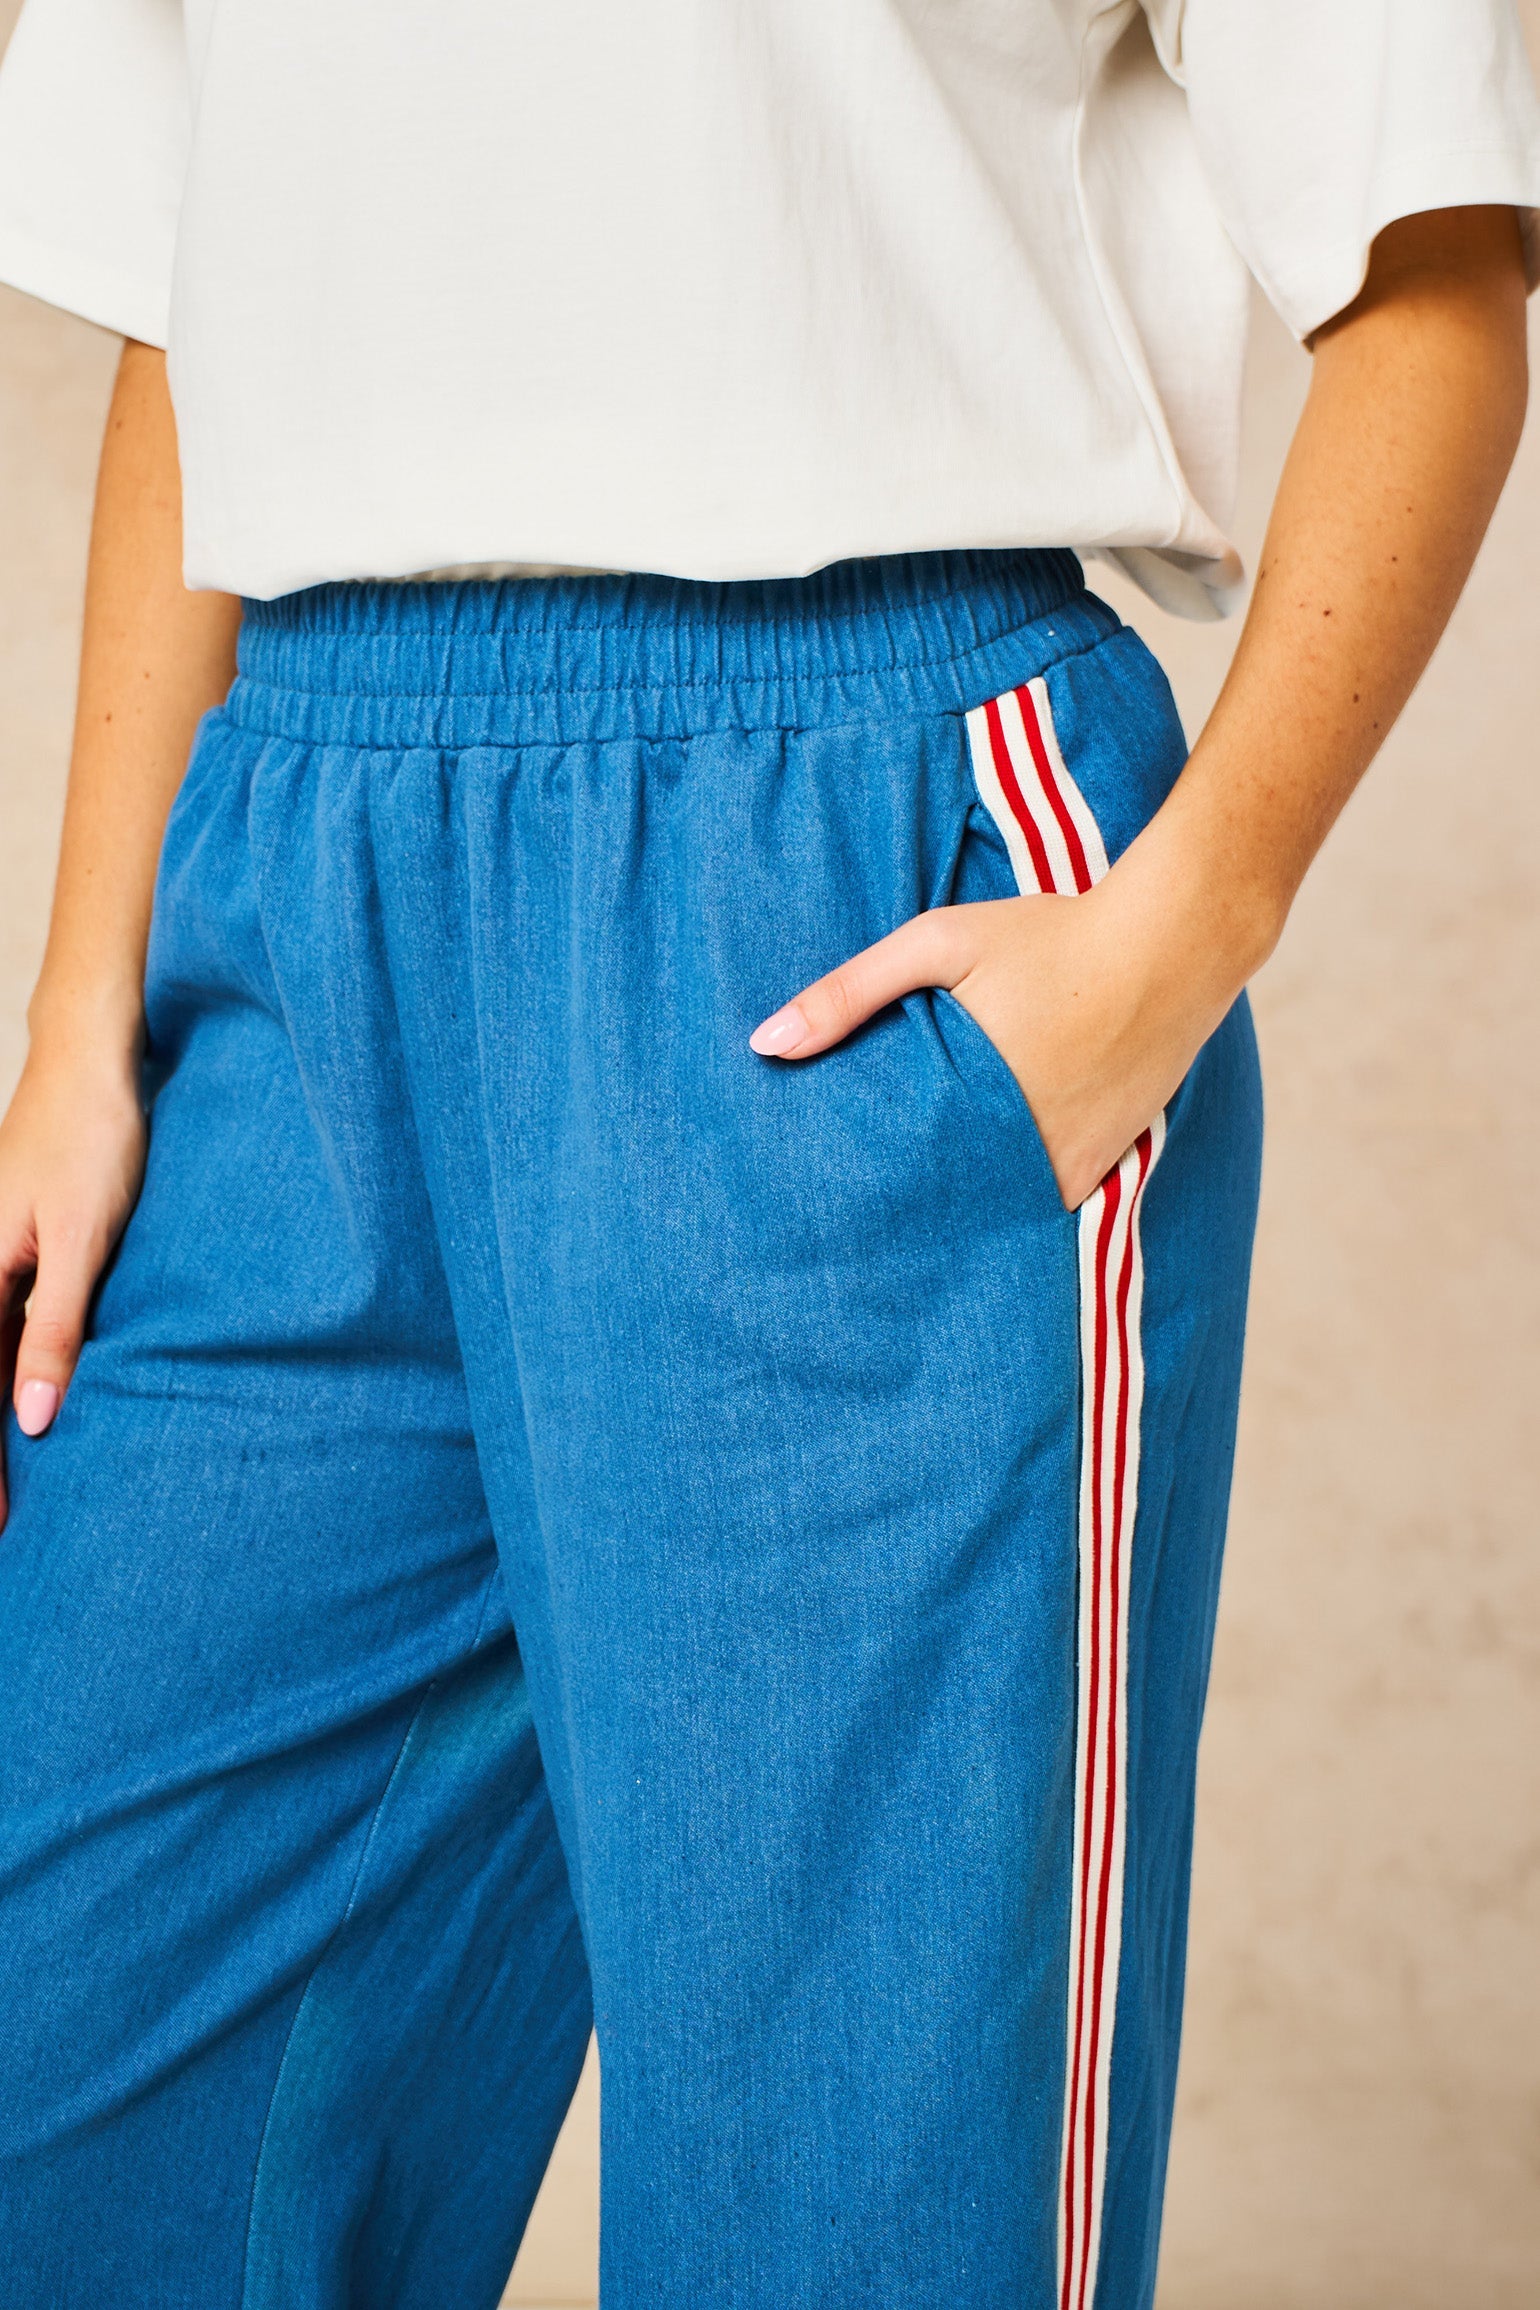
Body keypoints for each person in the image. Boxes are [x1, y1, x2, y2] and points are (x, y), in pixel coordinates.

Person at [0, 3, 1535, 2305]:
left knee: (849, 2229)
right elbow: (185, 287)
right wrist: (77, 1028)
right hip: (289, 899)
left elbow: (1432, 256)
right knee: (81, 2133)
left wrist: (1185, 921)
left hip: (843, 862)